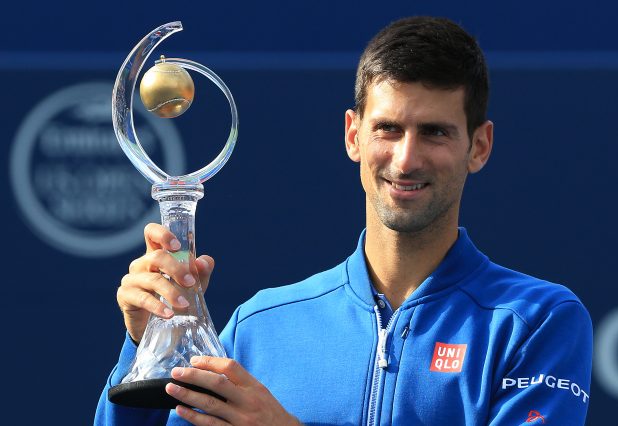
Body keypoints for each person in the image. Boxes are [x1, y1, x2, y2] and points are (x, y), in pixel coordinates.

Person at [96, 16, 592, 425]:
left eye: (435, 132)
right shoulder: (260, 327)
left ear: (478, 146)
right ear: (353, 136)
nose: (405, 159)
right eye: (388, 129)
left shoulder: (535, 321)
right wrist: (145, 348)